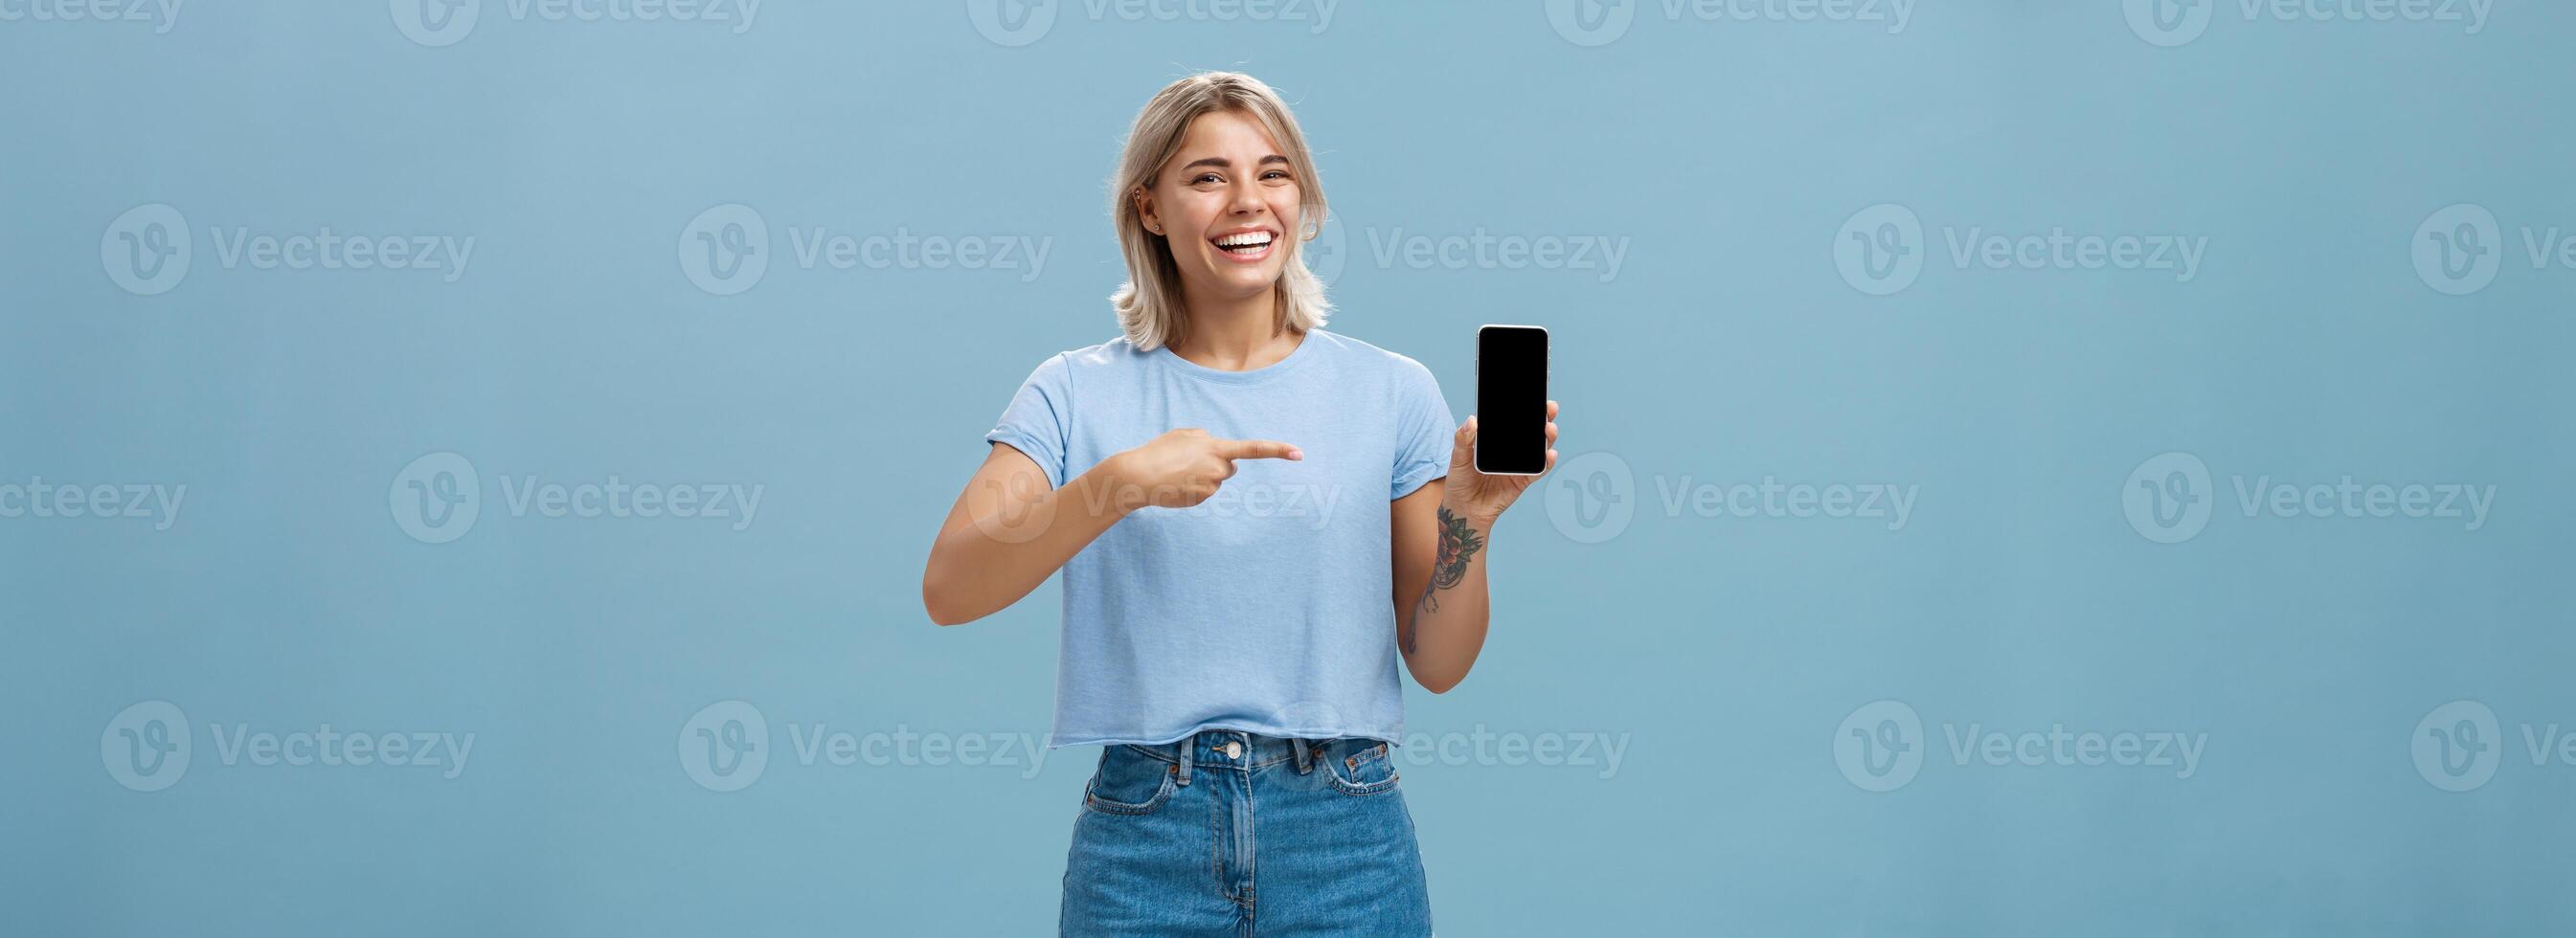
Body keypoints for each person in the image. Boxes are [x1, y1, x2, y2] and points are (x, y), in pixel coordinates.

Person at [921, 71, 1558, 936]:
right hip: (1145, 836)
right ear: (1150, 207)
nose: (1246, 203)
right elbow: (952, 589)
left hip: (1345, 837)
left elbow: (1438, 663)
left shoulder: (1390, 391)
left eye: (1274, 172)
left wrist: (1469, 524)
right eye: (1207, 176)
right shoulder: (1073, 392)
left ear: (1304, 198)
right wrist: (1121, 485)